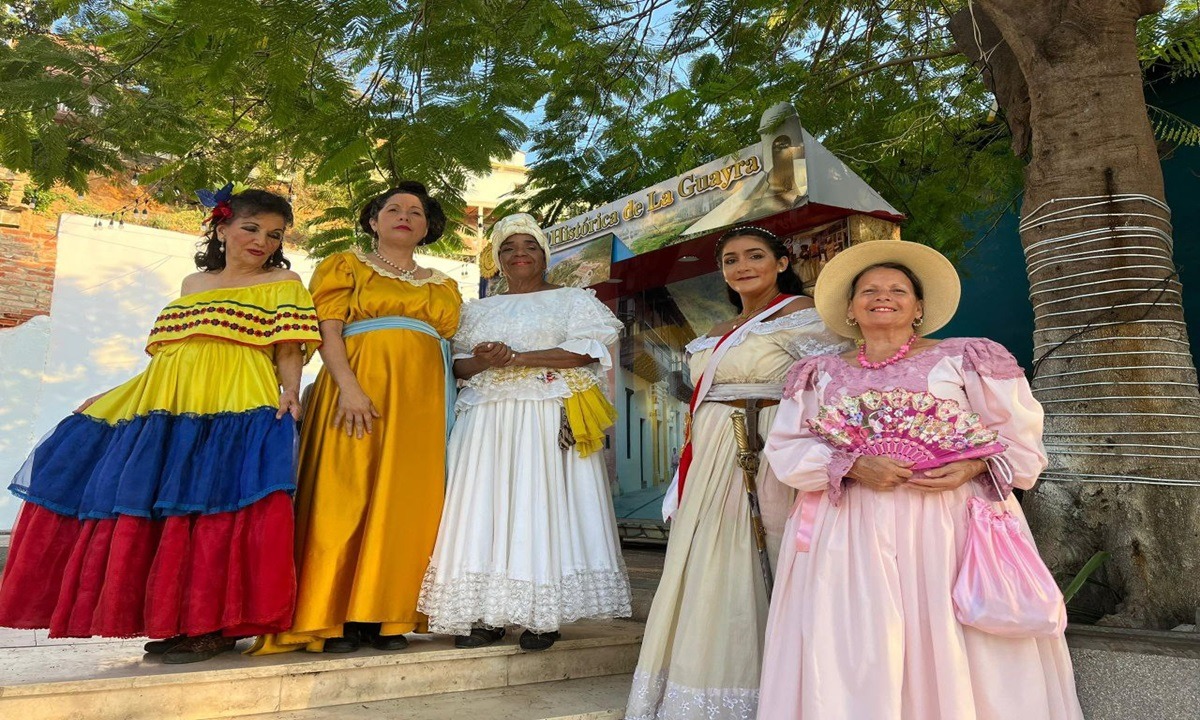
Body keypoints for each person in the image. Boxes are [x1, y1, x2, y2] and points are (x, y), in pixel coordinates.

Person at [757, 239, 1084, 719]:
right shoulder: (817, 374)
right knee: (858, 636)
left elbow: (1019, 440)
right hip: (849, 526)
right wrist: (851, 465)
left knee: (952, 634)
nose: (881, 296)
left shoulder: (967, 358)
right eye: (868, 290)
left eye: (897, 289)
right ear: (850, 308)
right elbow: (785, 447)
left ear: (919, 306)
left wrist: (974, 465)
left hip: (947, 523)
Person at [0, 188, 320, 663]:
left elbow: (289, 347)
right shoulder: (193, 284)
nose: (261, 241)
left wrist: (290, 392)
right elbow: (172, 355)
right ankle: (178, 620)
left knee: (215, 505)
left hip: (237, 400)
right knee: (164, 507)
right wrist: (111, 396)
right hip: (169, 402)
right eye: (251, 228)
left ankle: (215, 626)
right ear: (223, 227)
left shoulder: (285, 280)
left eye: (273, 235)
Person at [626, 226, 847, 719]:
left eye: (754, 256)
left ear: (781, 263)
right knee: (708, 553)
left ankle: (770, 678)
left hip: (766, 442)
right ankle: (704, 676)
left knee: (759, 548)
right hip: (710, 450)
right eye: (731, 260)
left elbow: (831, 387)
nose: (742, 266)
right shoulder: (718, 328)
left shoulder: (804, 314)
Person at [251, 182, 461, 654]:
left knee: (407, 505)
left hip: (422, 407)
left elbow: (451, 348)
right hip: (356, 391)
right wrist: (348, 388)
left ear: (428, 228)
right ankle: (331, 616)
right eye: (393, 208)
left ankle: (385, 616)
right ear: (373, 220)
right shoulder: (345, 264)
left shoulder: (444, 285)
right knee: (343, 495)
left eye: (416, 212)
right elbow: (326, 327)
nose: (405, 216)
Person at [417, 213, 631, 651]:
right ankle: (485, 613)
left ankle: (541, 616)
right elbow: (457, 366)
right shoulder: (476, 310)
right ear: (497, 259)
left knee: (541, 505)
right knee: (484, 506)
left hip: (545, 414)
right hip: (487, 420)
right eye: (509, 247)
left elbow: (582, 355)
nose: (520, 254)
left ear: (545, 255)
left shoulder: (573, 299)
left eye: (529, 245)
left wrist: (514, 358)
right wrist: (487, 359)